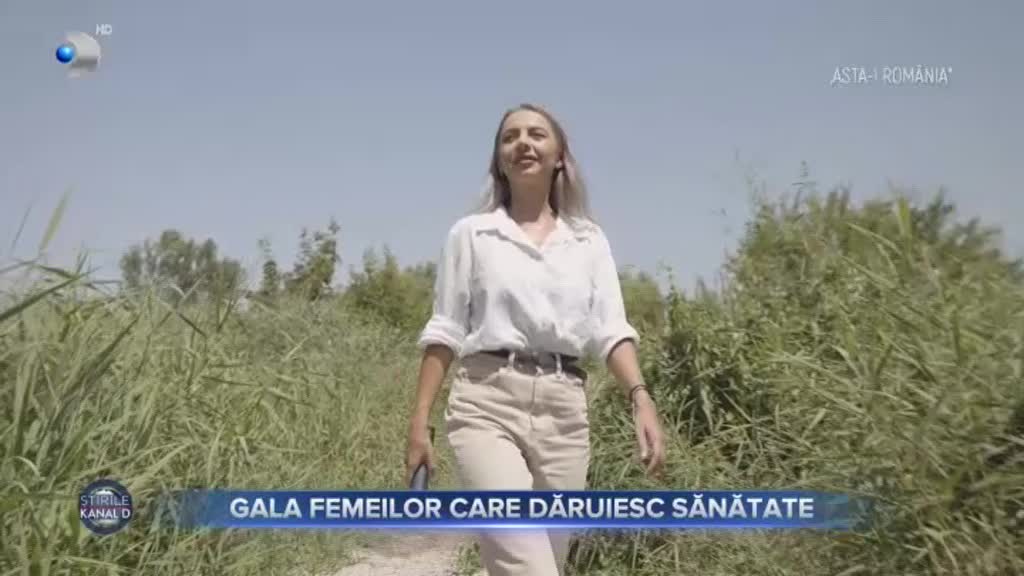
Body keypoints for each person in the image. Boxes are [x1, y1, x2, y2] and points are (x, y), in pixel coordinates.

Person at [405, 103, 666, 576]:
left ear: (559, 156)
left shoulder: (588, 241)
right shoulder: (472, 234)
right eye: (510, 137)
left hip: (564, 412)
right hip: (486, 403)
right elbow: (445, 330)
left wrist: (640, 397)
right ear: (499, 160)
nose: (523, 143)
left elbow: (611, 329)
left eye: (536, 134)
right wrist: (420, 422)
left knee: (546, 560)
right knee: (528, 563)